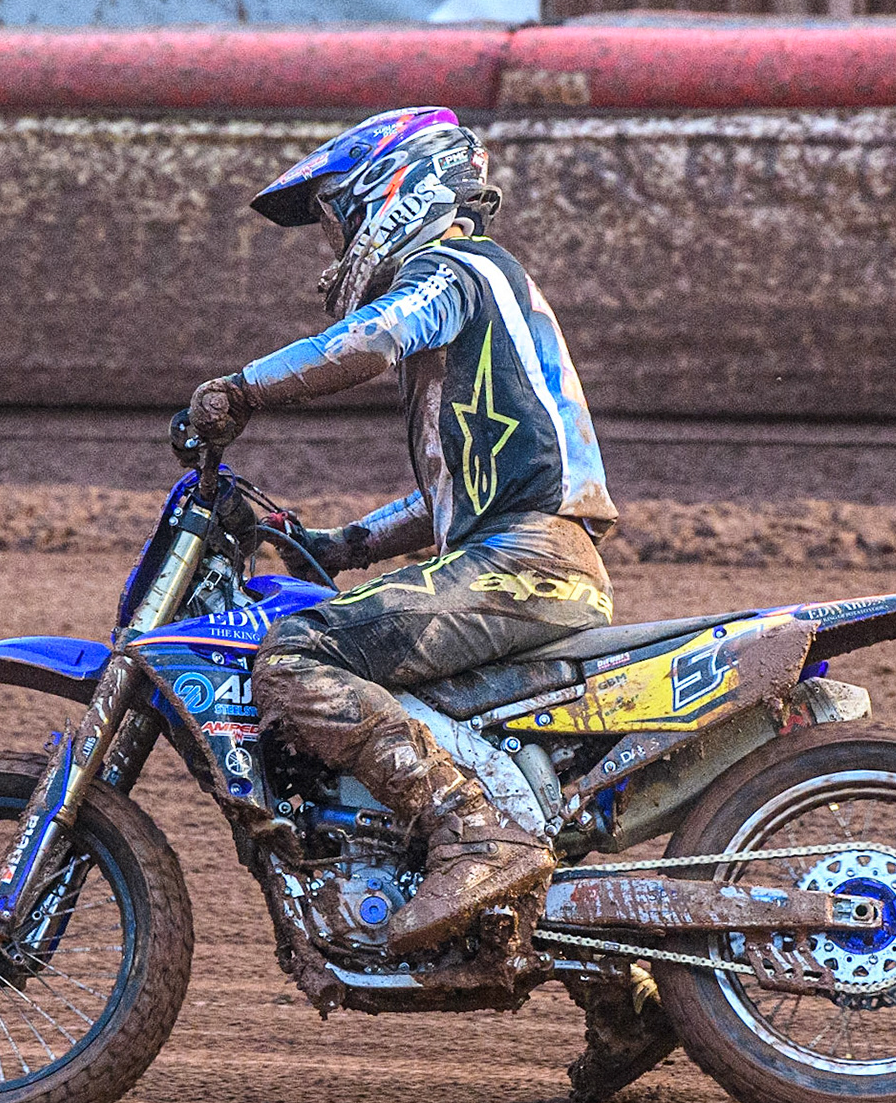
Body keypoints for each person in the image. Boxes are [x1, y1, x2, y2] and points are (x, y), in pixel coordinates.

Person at [186, 106, 618, 958]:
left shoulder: (454, 268)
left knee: (294, 653)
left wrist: (242, 388)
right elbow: (458, 488)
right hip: (524, 557)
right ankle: (622, 989)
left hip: (522, 563)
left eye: (337, 217)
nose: (333, 246)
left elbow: (368, 339)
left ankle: (473, 832)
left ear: (397, 189)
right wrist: (347, 544)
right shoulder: (485, 297)